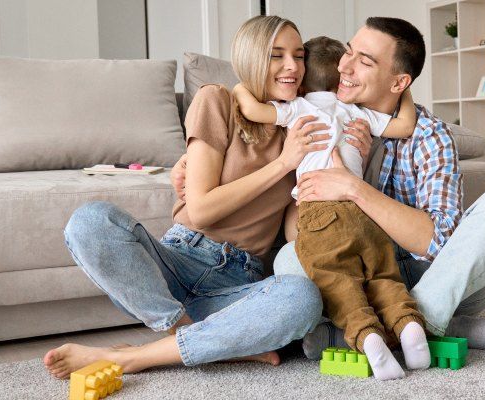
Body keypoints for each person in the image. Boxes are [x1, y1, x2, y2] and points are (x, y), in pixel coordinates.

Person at [171, 17, 485, 360]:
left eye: (364, 62)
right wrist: (191, 159)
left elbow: (436, 243)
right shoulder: (315, 119)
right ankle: (421, 330)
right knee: (288, 259)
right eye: (348, 52)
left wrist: (354, 188)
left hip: (435, 279)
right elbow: (296, 226)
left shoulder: (428, 136)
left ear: (398, 83)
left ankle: (412, 321)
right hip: (356, 275)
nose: (344, 67)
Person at [42, 15, 329, 378]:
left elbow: (291, 234)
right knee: (91, 220)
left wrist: (317, 186)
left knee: (300, 297)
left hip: (238, 280)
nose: (292, 67)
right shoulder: (218, 100)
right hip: (177, 261)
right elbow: (203, 210)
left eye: (299, 56)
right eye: (277, 55)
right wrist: (283, 162)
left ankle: (138, 356)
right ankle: (202, 339)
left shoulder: (303, 126)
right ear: (252, 58)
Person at [231, 36, 427, 380]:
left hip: (320, 209)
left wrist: (238, 88)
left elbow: (252, 110)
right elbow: (405, 125)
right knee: (381, 274)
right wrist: (404, 91)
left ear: (303, 83)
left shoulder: (299, 109)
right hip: (364, 206)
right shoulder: (358, 114)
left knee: (337, 280)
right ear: (342, 81)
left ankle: (366, 336)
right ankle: (409, 326)